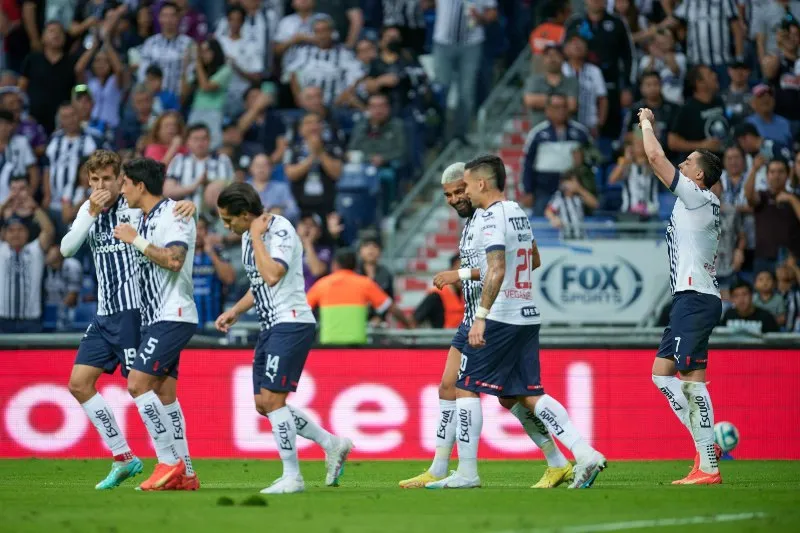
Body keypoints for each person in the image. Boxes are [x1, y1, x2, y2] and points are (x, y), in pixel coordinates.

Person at [427, 155, 605, 490]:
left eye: (464, 186)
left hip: (501, 315)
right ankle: (583, 453)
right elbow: (532, 258)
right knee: (524, 395)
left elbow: (496, 268)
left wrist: (480, 316)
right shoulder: (517, 212)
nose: (463, 192)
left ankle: (466, 473)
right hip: (527, 313)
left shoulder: (492, 217)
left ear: (480, 183)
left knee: (465, 386)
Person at [60, 150, 190, 488]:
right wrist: (88, 211)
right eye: (94, 181)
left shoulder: (132, 209)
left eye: (107, 179)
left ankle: (178, 464)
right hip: (104, 315)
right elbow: (67, 248)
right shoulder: (88, 211)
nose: (101, 186)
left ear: (121, 179)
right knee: (78, 384)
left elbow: (164, 208)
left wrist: (187, 205)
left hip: (135, 313)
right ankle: (124, 456)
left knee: (152, 390)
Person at [214, 182, 353, 494]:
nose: (226, 226)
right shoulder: (253, 237)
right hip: (270, 325)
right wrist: (235, 311)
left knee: (275, 400)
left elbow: (274, 273)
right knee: (263, 404)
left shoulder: (278, 230)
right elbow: (259, 282)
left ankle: (293, 477)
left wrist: (254, 237)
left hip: (291, 322)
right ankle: (332, 443)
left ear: (246, 214)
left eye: (229, 219)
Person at [638, 106, 724, 485]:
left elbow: (655, 157)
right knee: (664, 375)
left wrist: (645, 123)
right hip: (691, 297)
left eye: (688, 161)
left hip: (695, 297)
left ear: (699, 175)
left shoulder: (697, 197)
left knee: (688, 378)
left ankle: (708, 464)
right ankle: (706, 445)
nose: (682, 164)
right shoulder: (697, 201)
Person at [112, 157, 200, 491]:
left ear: (139, 185)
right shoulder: (144, 216)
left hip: (172, 314)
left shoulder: (173, 215)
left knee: (137, 384)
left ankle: (167, 460)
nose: (121, 189)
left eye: (124, 183)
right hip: (157, 317)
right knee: (165, 395)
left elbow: (175, 260)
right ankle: (187, 473)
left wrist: (135, 240)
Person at [306, 247, 414, 344]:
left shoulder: (322, 284)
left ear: (335, 265)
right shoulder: (365, 283)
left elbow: (302, 309)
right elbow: (391, 307)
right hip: (356, 347)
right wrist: (409, 326)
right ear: (356, 265)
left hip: (328, 346)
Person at [0, 209, 54, 333]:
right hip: (2, 320)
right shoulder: (1, 250)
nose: (16, 234)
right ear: (4, 234)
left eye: (20, 230)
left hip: (31, 321)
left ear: (27, 233)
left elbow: (49, 230)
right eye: (11, 230)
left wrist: (34, 208)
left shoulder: (36, 250)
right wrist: (7, 203)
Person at [193, 215, 235, 330]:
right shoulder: (182, 254)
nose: (197, 233)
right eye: (193, 228)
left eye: (200, 228)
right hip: (189, 322)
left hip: (214, 320)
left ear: (207, 231)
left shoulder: (218, 252)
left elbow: (229, 279)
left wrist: (211, 253)